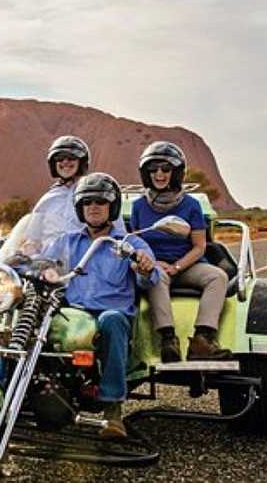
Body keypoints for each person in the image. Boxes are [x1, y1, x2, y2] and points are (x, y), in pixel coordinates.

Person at [43, 172, 160, 438]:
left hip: (112, 315)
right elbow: (40, 260)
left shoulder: (130, 243)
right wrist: (18, 258)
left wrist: (143, 265)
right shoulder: (67, 242)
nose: (93, 206)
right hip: (73, 314)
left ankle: (112, 410)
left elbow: (151, 277)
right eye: (87, 202)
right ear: (80, 208)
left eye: (100, 201)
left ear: (112, 207)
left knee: (112, 320)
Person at [130, 141, 231, 362]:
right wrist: (153, 264)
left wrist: (177, 267)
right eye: (153, 169)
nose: (159, 174)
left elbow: (199, 246)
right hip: (155, 264)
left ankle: (202, 340)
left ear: (176, 173)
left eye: (166, 169)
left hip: (187, 264)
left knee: (218, 276)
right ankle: (168, 340)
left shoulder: (191, 205)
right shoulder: (138, 206)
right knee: (155, 278)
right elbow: (136, 242)